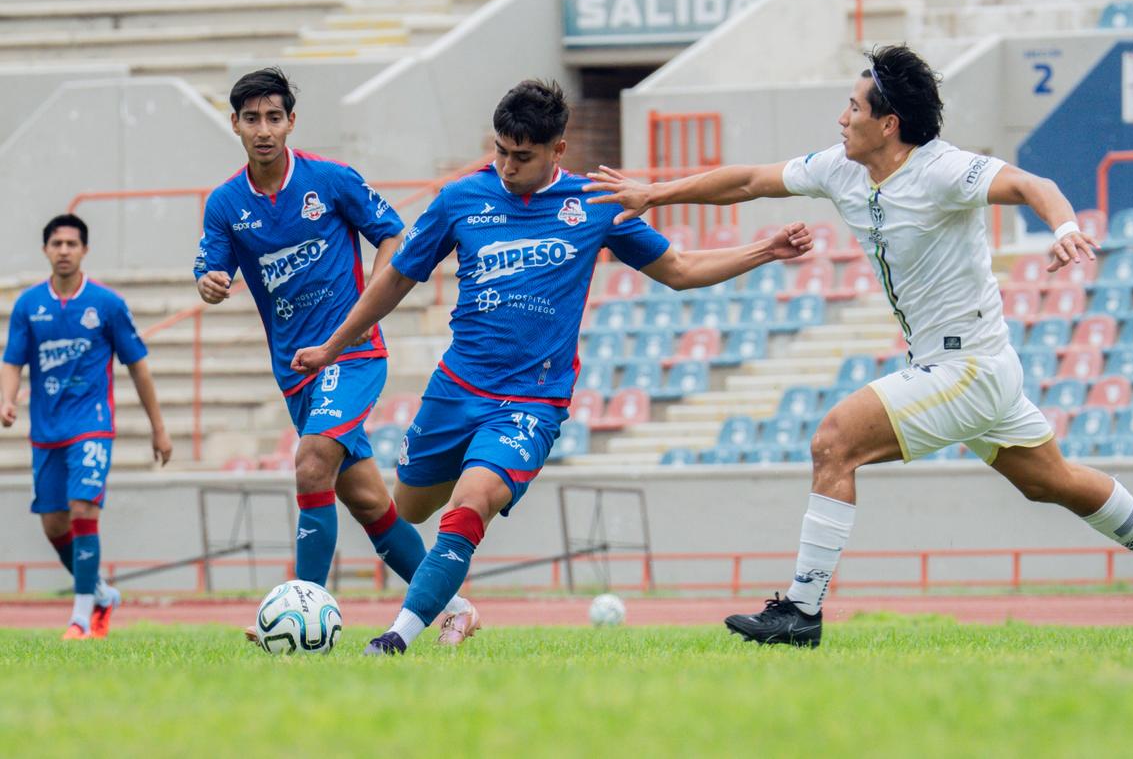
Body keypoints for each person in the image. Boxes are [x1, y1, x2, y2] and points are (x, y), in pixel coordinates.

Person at [586, 44, 1133, 647]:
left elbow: (1031, 184)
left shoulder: (943, 169)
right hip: (970, 368)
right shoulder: (841, 166)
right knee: (1050, 481)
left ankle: (800, 611)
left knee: (834, 443)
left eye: (854, 107)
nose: (842, 118)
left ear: (888, 124)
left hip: (969, 366)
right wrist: (654, 194)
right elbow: (750, 181)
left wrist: (1066, 228)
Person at [290, 79, 814, 655]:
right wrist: (336, 344)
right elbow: (395, 280)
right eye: (501, 151)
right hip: (457, 388)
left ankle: (396, 638)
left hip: (532, 402)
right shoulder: (460, 199)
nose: (508, 166)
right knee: (411, 505)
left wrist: (763, 250)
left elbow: (681, 267)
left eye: (523, 156)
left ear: (557, 150)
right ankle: (458, 605)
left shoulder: (594, 205)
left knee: (471, 502)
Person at [193, 67, 479, 645]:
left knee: (311, 461)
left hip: (351, 355)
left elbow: (393, 236)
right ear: (236, 126)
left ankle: (299, 612)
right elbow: (211, 263)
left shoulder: (332, 180)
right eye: (252, 119)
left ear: (291, 122)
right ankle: (456, 608)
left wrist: (366, 310)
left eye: (274, 117)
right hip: (296, 371)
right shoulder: (225, 203)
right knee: (371, 502)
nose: (264, 129)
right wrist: (210, 280)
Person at [1, 214, 172, 639]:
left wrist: (159, 428)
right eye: (56, 243)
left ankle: (80, 618)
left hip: (92, 425)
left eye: (71, 244)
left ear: (84, 250)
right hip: (46, 430)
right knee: (54, 526)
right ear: (45, 250)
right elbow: (13, 362)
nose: (63, 250)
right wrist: (6, 399)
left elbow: (139, 368)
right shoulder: (28, 306)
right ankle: (98, 592)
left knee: (83, 509)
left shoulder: (107, 304)